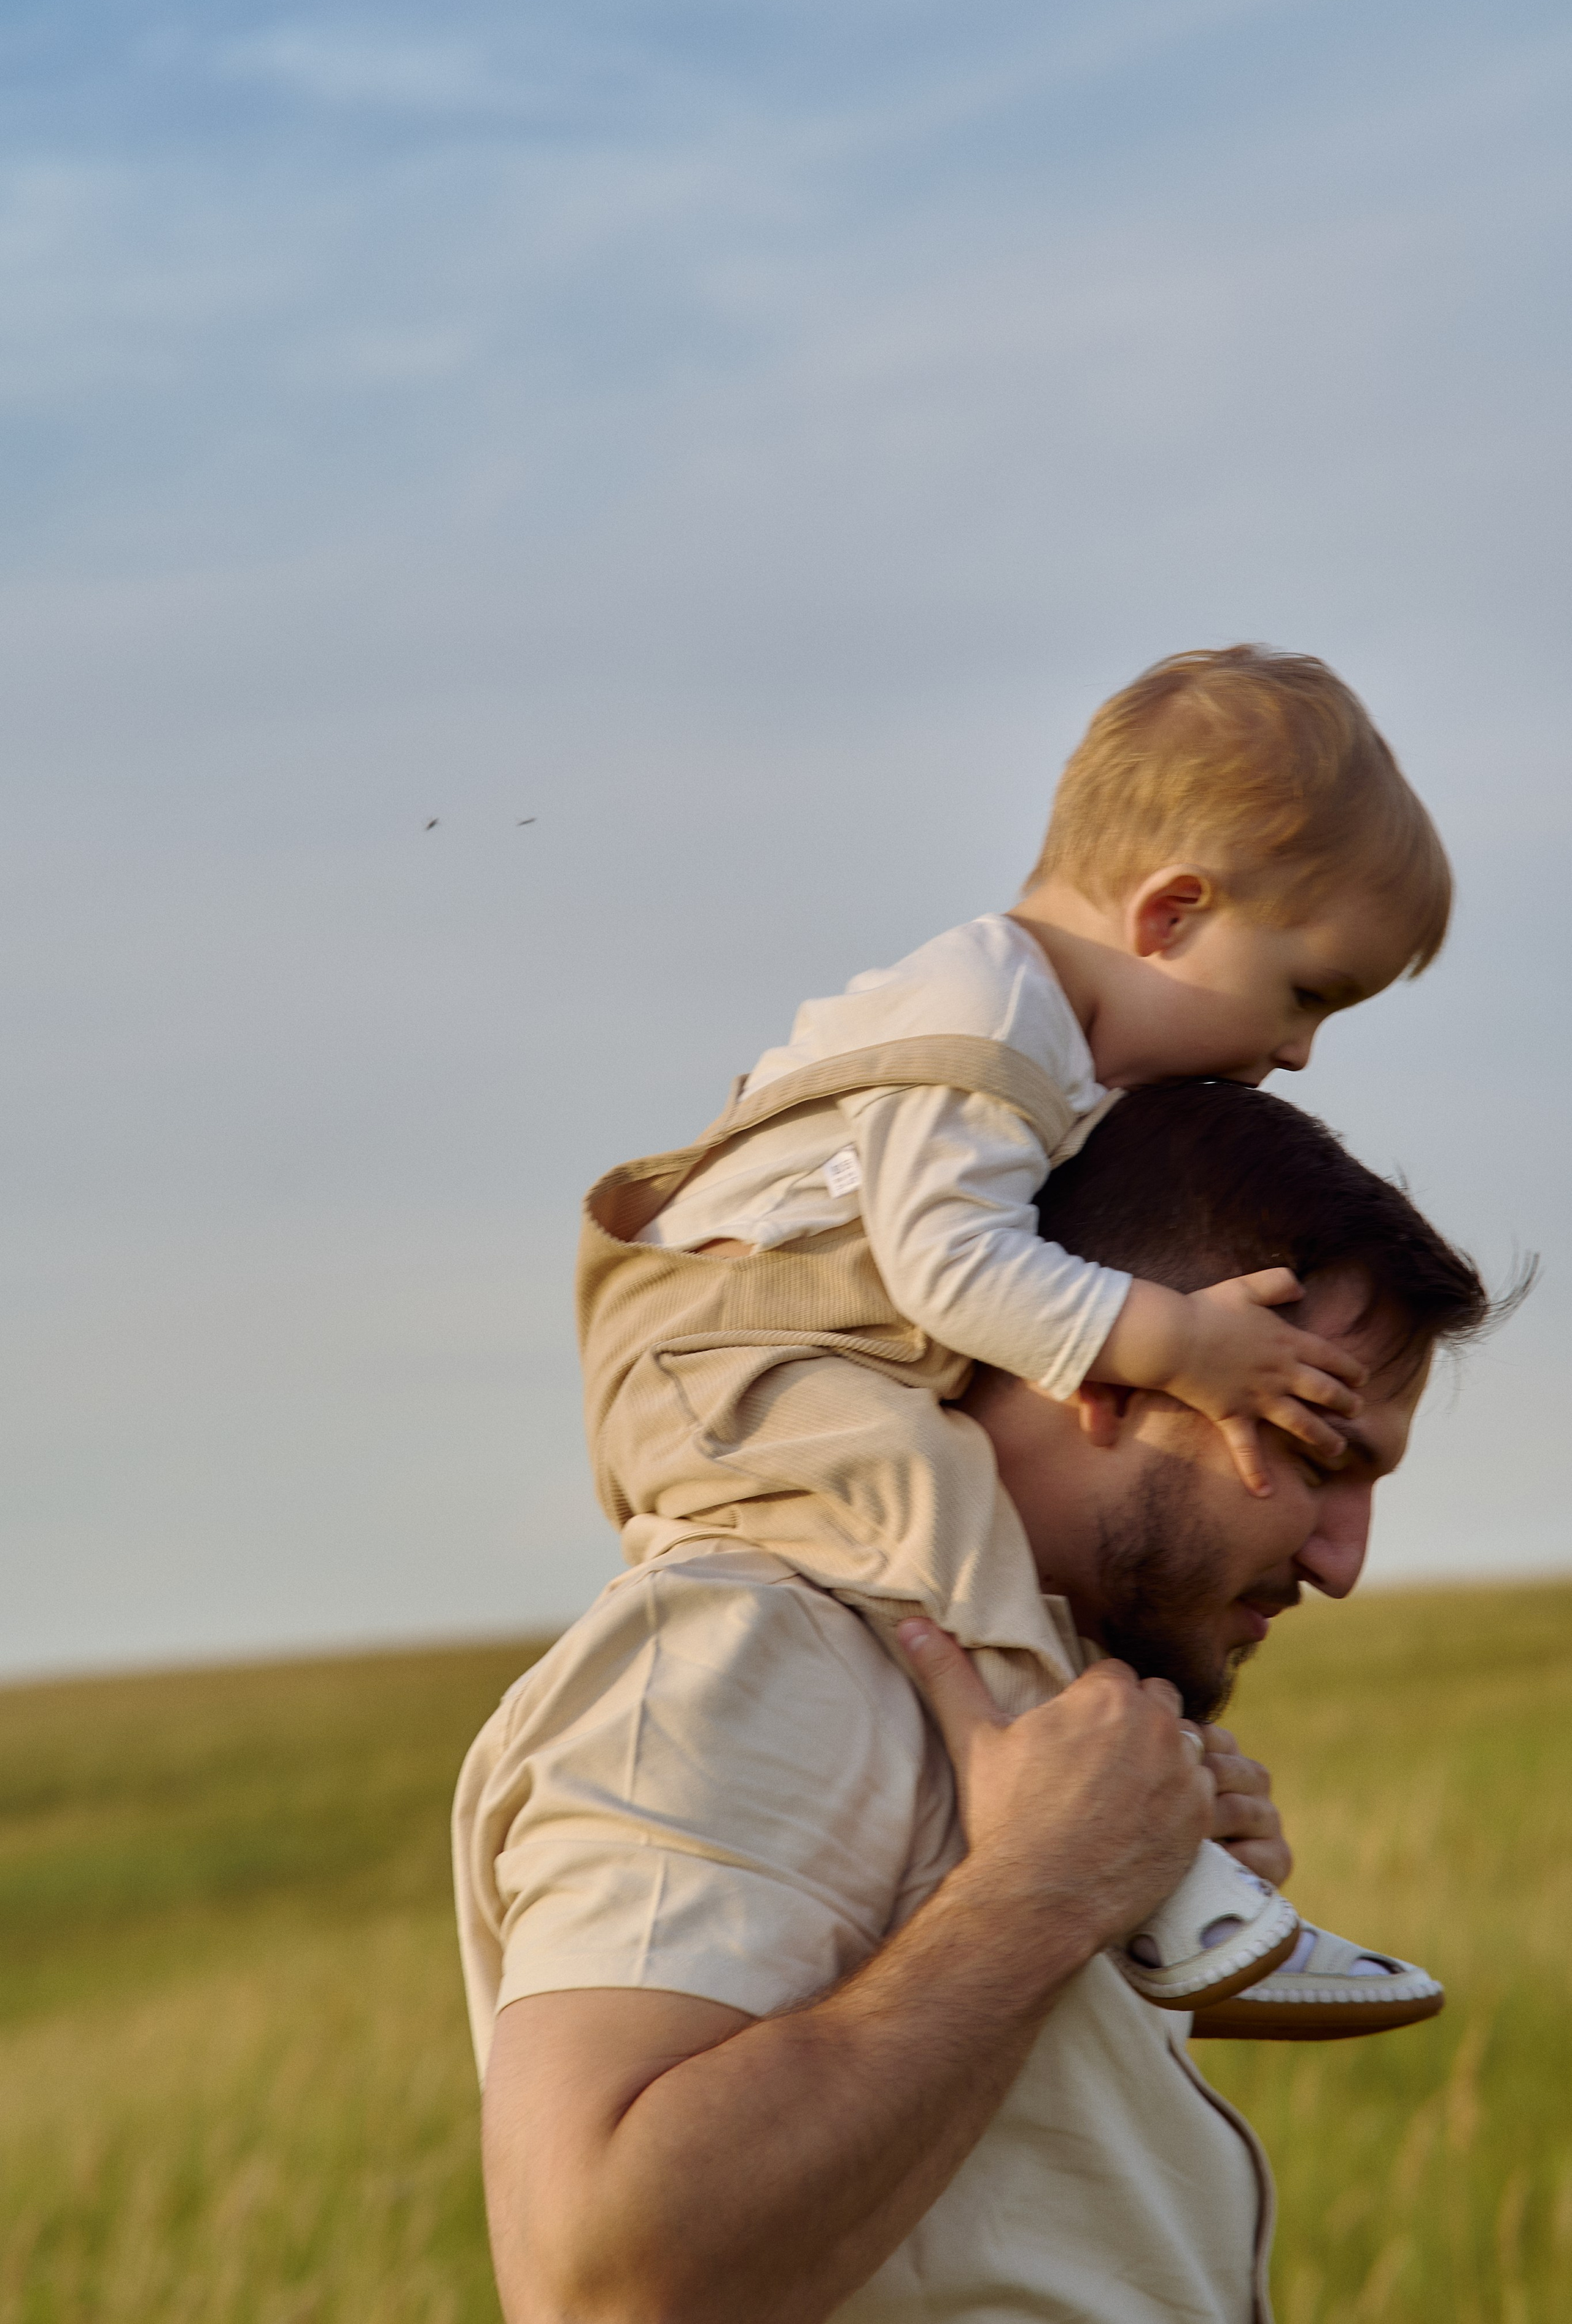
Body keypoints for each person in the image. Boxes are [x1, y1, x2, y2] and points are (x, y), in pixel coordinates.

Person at [454, 1078, 1493, 2324]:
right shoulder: (740, 1648)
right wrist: (1040, 1892)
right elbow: (603, 2285)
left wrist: (1121, 1883)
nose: (1343, 1560)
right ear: (1094, 1363)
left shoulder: (1003, 1693)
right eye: (1316, 1445)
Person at [574, 645, 1452, 2005]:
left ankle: (1151, 1867)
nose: (1297, 1053)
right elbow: (944, 1263)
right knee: (945, 1533)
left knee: (968, 1552)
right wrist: (1177, 1342)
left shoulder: (1027, 1037)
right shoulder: (985, 1010)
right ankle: (1136, 1878)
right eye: (1305, 993)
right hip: (736, 1361)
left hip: (766, 1352)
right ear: (1167, 914)